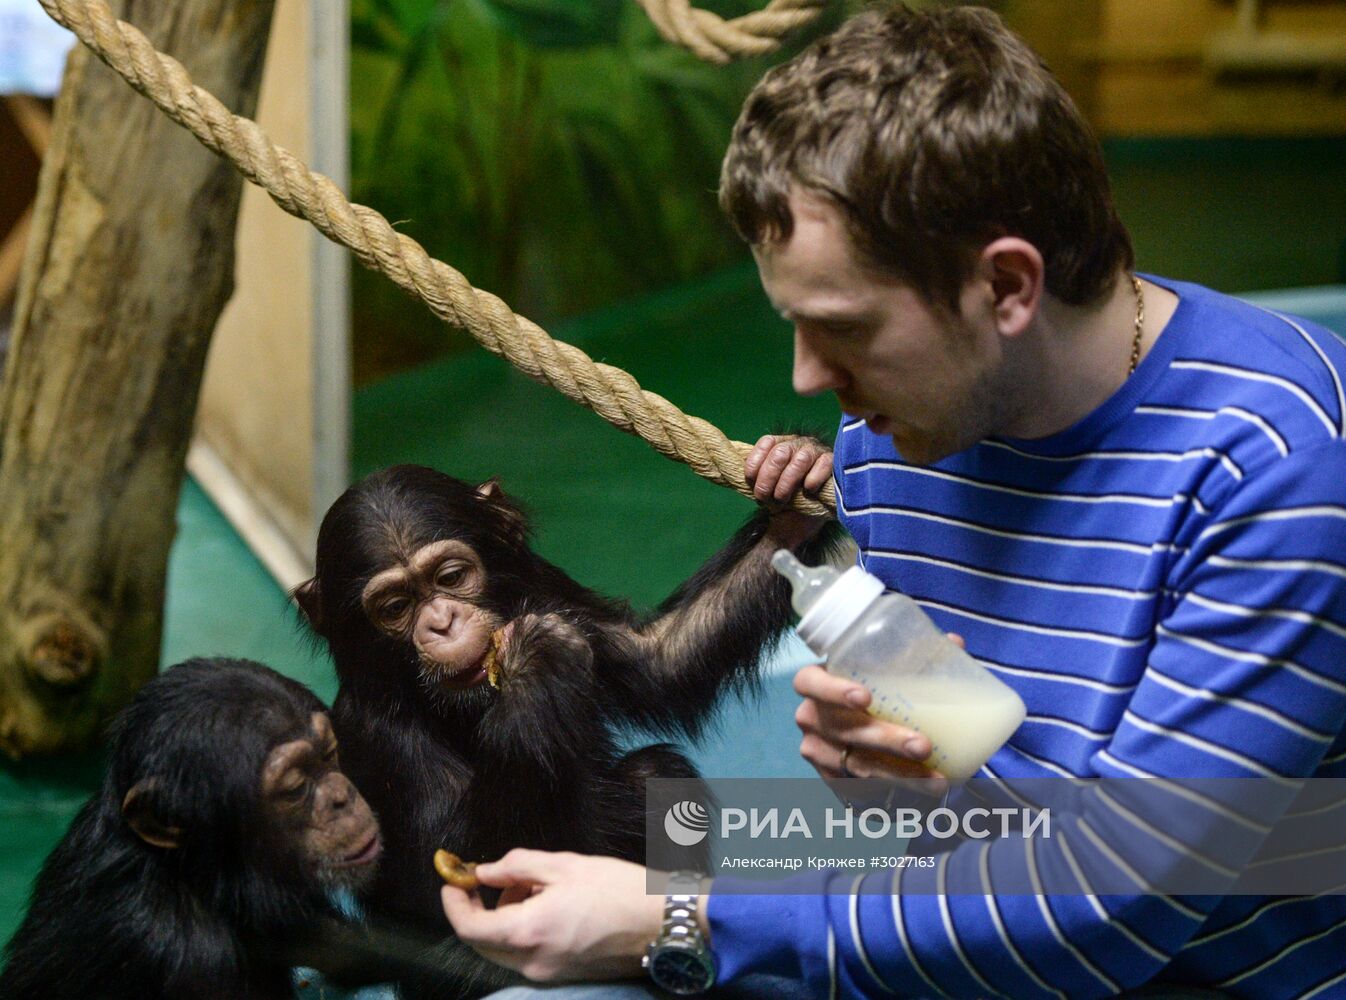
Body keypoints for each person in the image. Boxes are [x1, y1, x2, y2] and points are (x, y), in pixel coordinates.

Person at [441, 4, 1346, 997]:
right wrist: (908, 781)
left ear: (1004, 285)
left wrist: (679, 913)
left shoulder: (1278, 464)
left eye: (841, 327)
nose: (801, 379)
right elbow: (993, 820)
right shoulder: (897, 428)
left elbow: (1109, 912)